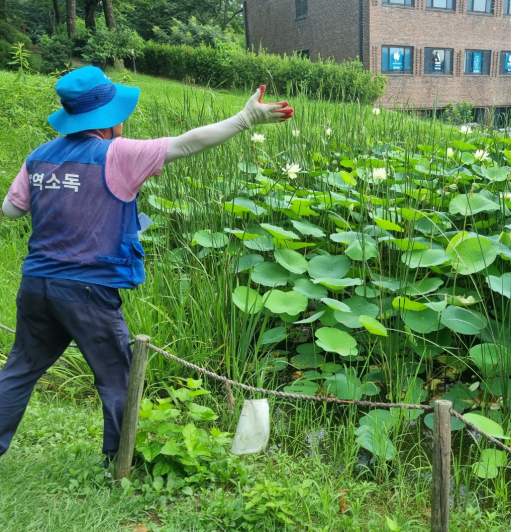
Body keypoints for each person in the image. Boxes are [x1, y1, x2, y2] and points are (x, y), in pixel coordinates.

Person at [0, 66, 293, 466]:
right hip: (88, 289)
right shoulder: (117, 154)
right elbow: (186, 145)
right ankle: (118, 464)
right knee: (118, 377)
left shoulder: (40, 156)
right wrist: (245, 119)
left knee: (20, 368)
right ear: (109, 119)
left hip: (36, 284)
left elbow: (10, 210)